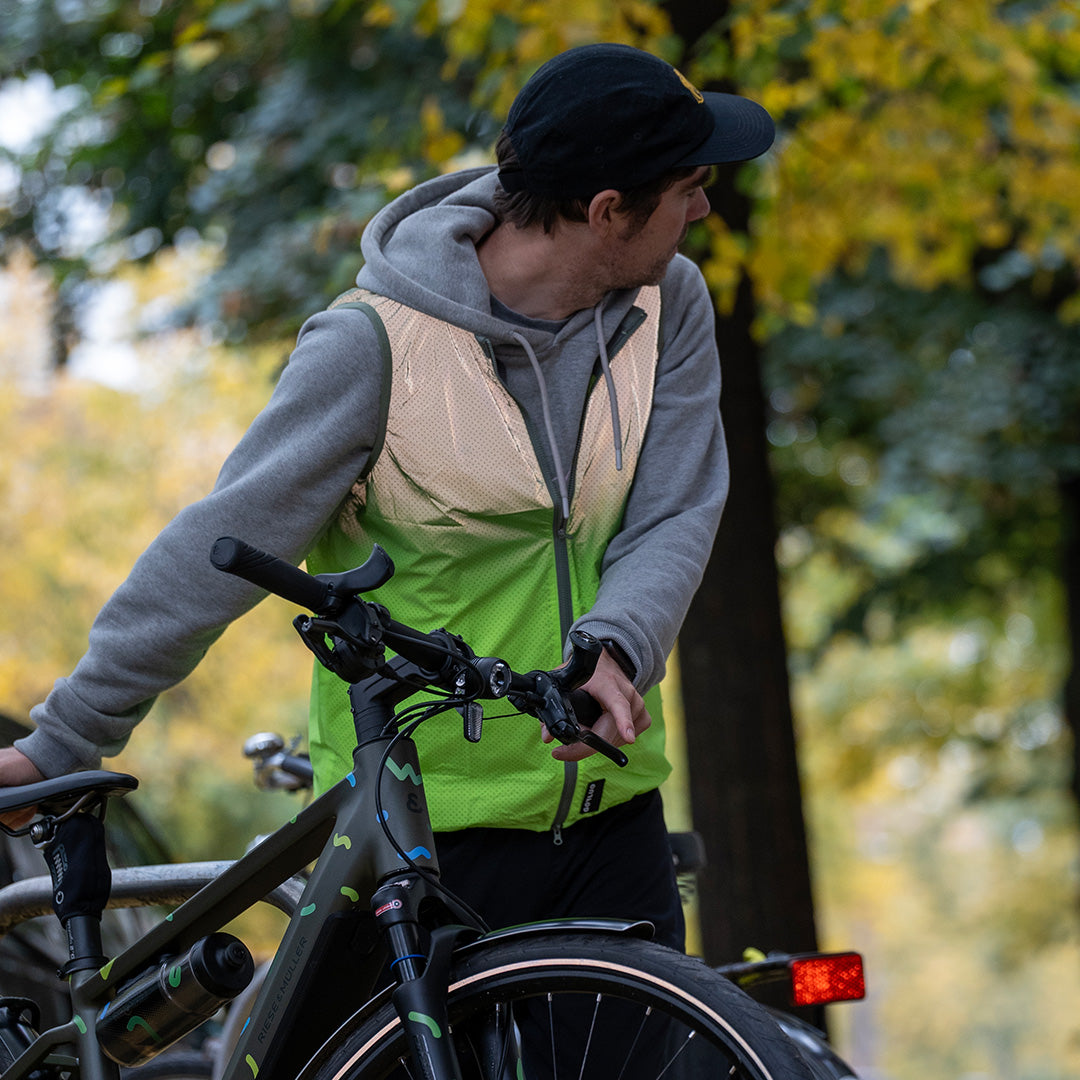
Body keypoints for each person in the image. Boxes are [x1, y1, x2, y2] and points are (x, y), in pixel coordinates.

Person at [0, 44, 773, 956]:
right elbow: (219, 546)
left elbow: (675, 509)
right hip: (415, 835)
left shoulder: (669, 305)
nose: (704, 206)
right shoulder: (371, 348)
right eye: (689, 186)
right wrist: (64, 740)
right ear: (607, 212)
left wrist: (615, 645)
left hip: (610, 818)